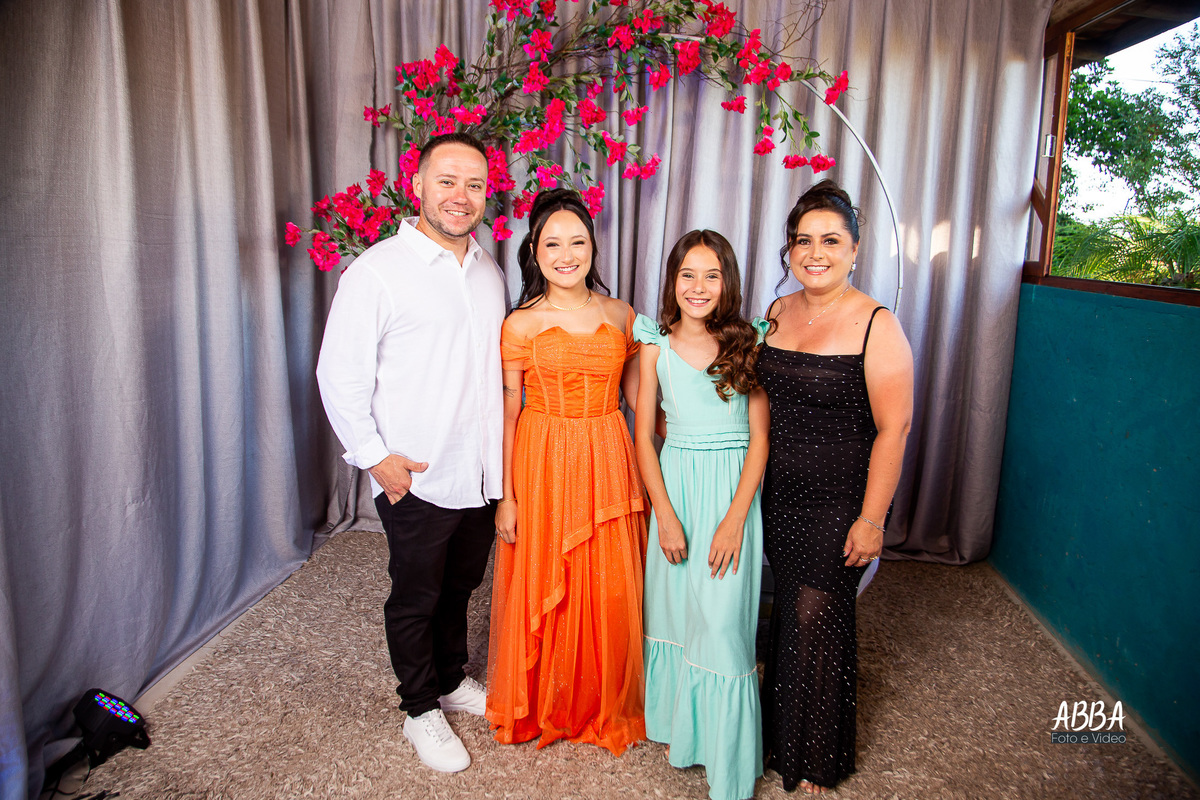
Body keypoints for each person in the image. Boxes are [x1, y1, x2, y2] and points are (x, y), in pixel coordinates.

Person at [315, 132, 505, 774]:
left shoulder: (489, 271)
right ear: (417, 184)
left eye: (474, 184)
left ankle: (449, 679)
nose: (461, 196)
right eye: (447, 181)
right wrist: (374, 456)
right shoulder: (377, 272)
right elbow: (338, 374)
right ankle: (419, 706)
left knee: (461, 585)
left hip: (480, 470)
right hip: (416, 474)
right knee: (416, 595)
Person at [755, 180, 913, 794]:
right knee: (791, 610)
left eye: (830, 240)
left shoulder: (878, 324)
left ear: (854, 250)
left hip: (841, 499)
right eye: (803, 241)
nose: (815, 253)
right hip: (781, 494)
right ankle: (777, 734)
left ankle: (818, 753)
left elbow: (895, 429)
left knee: (817, 611)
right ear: (790, 250)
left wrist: (872, 519)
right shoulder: (777, 312)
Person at [485, 188, 647, 756]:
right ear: (534, 250)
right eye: (552, 244)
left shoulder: (621, 315)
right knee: (550, 572)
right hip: (544, 458)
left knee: (606, 576)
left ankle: (599, 698)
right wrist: (506, 497)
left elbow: (639, 400)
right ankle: (547, 699)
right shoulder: (521, 323)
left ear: (593, 247)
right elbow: (510, 411)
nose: (566, 254)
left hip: (607, 450)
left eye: (577, 242)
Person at [633, 230, 769, 800]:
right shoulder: (653, 345)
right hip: (676, 488)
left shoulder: (749, 343)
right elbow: (644, 437)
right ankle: (683, 733)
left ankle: (729, 762)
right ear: (672, 281)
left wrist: (735, 519)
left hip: (731, 493)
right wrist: (663, 515)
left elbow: (760, 440)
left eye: (711, 275)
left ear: (727, 282)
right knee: (676, 613)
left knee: (722, 622)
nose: (698, 286)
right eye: (687, 274)